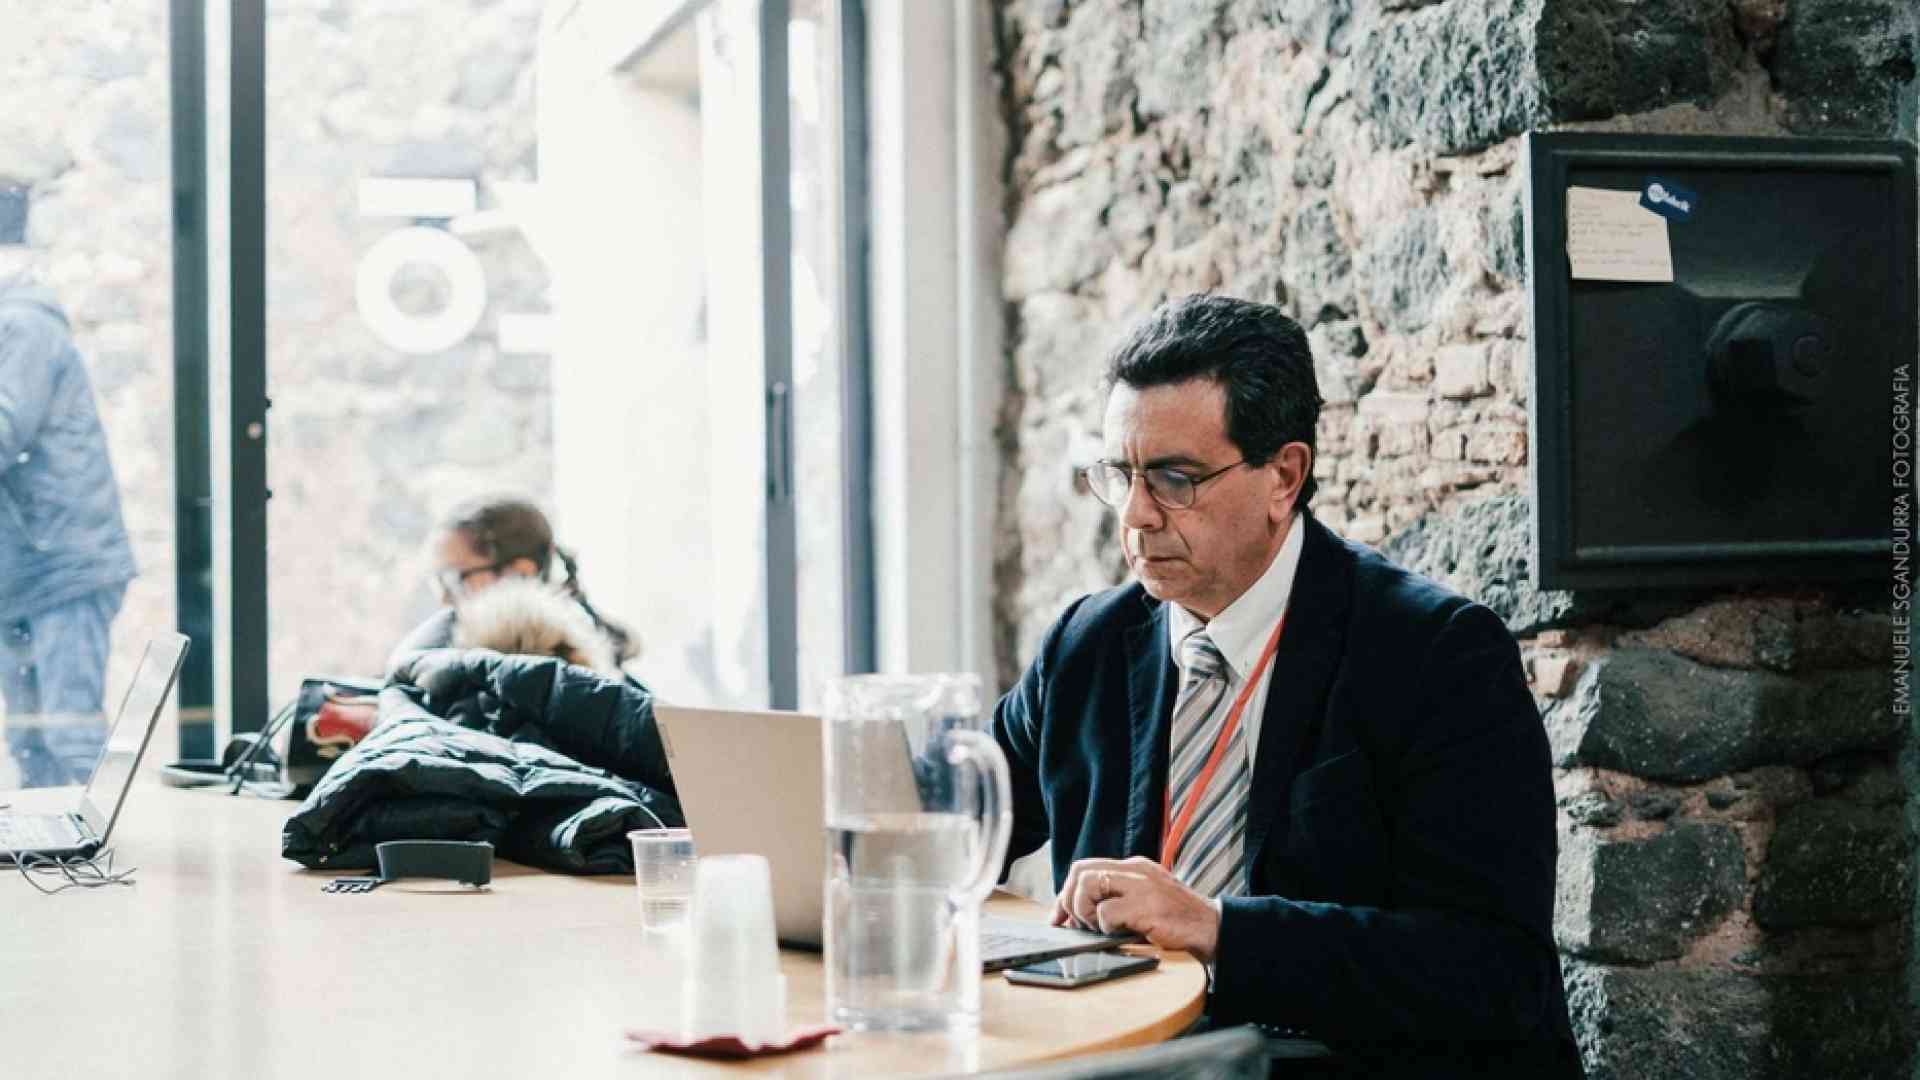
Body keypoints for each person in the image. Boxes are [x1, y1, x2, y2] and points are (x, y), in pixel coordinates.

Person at [991, 295, 1581, 1078]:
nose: (1135, 515)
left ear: (1284, 476)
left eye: (1173, 479)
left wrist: (1220, 929)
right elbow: (963, 818)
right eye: (1120, 475)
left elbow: (1495, 974)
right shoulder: (1086, 644)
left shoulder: (1438, 653)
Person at [0, 278, 137, 788]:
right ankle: (43, 836)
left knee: (69, 736)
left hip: (63, 567)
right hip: (27, 570)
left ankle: (94, 839)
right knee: (31, 741)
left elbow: (5, 428)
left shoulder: (23, 328)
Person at [388, 495, 636, 676]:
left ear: (520, 573)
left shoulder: (559, 666)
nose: (444, 599)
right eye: (437, 582)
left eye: (455, 579)